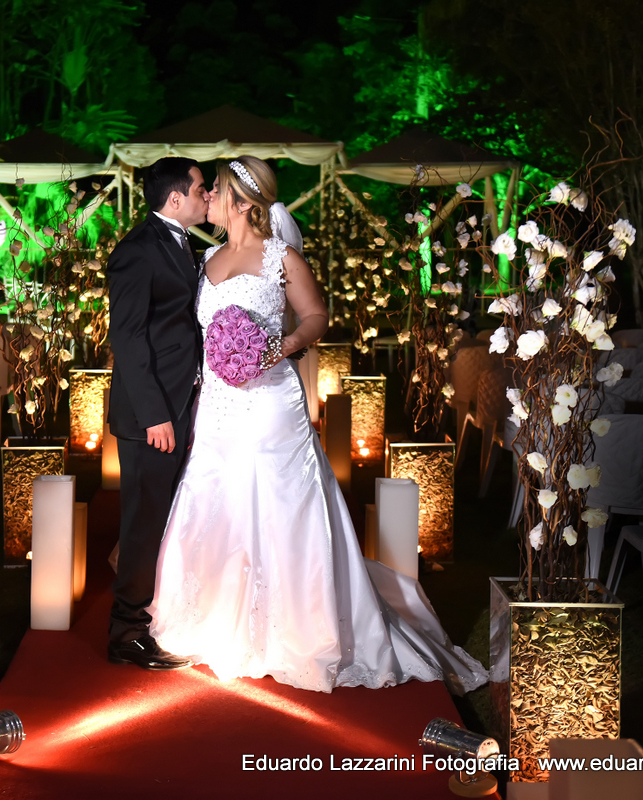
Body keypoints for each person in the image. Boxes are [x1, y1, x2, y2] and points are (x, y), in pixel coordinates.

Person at [146, 156, 488, 694]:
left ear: (239, 198)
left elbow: (315, 319)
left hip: (270, 404)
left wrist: (274, 347)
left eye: (215, 188)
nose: (207, 195)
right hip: (216, 405)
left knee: (282, 502)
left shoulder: (282, 258)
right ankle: (215, 620)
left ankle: (296, 628)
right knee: (219, 497)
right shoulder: (205, 258)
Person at [105, 157, 208, 671]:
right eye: (201, 189)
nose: (207, 196)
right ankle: (125, 633)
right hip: (152, 414)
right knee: (145, 520)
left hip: (180, 402)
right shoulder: (136, 252)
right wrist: (154, 415)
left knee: (160, 517)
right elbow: (126, 337)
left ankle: (152, 613)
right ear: (175, 199)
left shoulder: (184, 244)